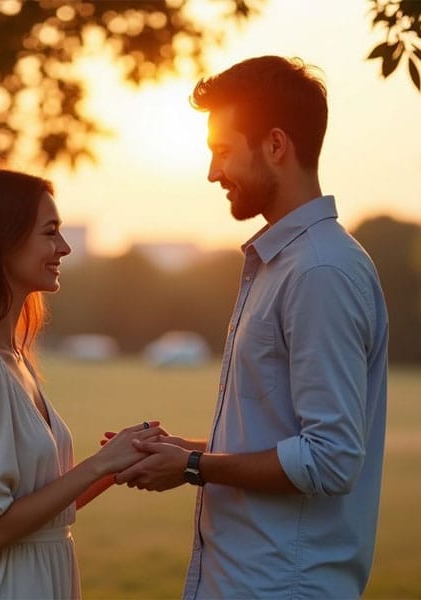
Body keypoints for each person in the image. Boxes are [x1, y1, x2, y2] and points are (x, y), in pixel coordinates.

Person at [114, 56, 389, 599]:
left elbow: (329, 458)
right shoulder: (284, 262)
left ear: (275, 146)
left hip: (282, 586)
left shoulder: (319, 271)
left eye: (222, 152)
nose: (213, 173)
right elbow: (280, 440)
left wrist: (193, 465)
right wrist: (181, 450)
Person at [0, 167, 162, 600]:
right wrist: (97, 465)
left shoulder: (14, 359)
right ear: (0, 241)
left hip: (40, 577)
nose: (63, 248)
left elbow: (39, 513)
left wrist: (112, 464)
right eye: (50, 233)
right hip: (3, 584)